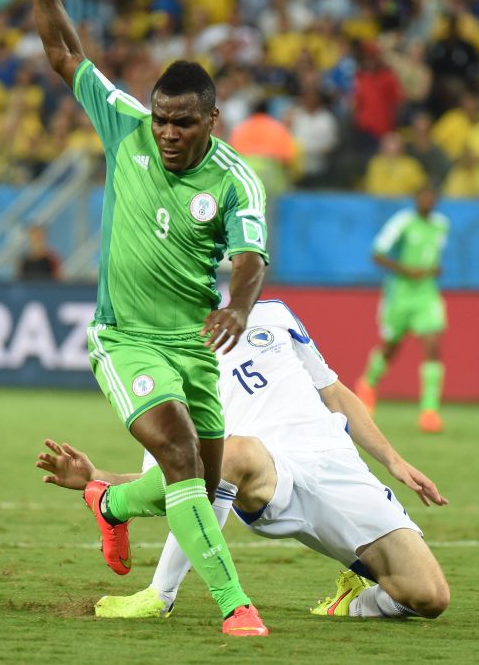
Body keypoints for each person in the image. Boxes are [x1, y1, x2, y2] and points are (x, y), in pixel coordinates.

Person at [16, 0, 270, 637]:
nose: (166, 132)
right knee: (183, 455)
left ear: (211, 120)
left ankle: (107, 500)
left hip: (193, 344)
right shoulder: (124, 124)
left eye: (183, 122)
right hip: (124, 337)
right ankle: (235, 605)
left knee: (196, 480)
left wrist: (240, 308)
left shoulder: (233, 181)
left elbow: (251, 257)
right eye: (161, 118)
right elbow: (63, 50)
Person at [37, 299, 450, 621]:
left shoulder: (274, 314)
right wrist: (99, 476)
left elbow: (335, 393)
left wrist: (395, 461)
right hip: (266, 473)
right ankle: (158, 595)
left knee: (430, 597)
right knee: (236, 451)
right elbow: (179, 477)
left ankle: (355, 602)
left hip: (335, 463)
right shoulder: (162, 358)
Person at [356, 184, 449, 433]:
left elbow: (432, 255)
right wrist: (408, 271)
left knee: (432, 346)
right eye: (424, 195)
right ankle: (368, 384)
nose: (428, 200)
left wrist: (433, 269)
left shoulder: (442, 224)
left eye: (432, 196)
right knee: (391, 348)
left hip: (426, 294)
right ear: (415, 198)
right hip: (399, 295)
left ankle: (429, 411)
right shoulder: (403, 222)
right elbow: (377, 254)